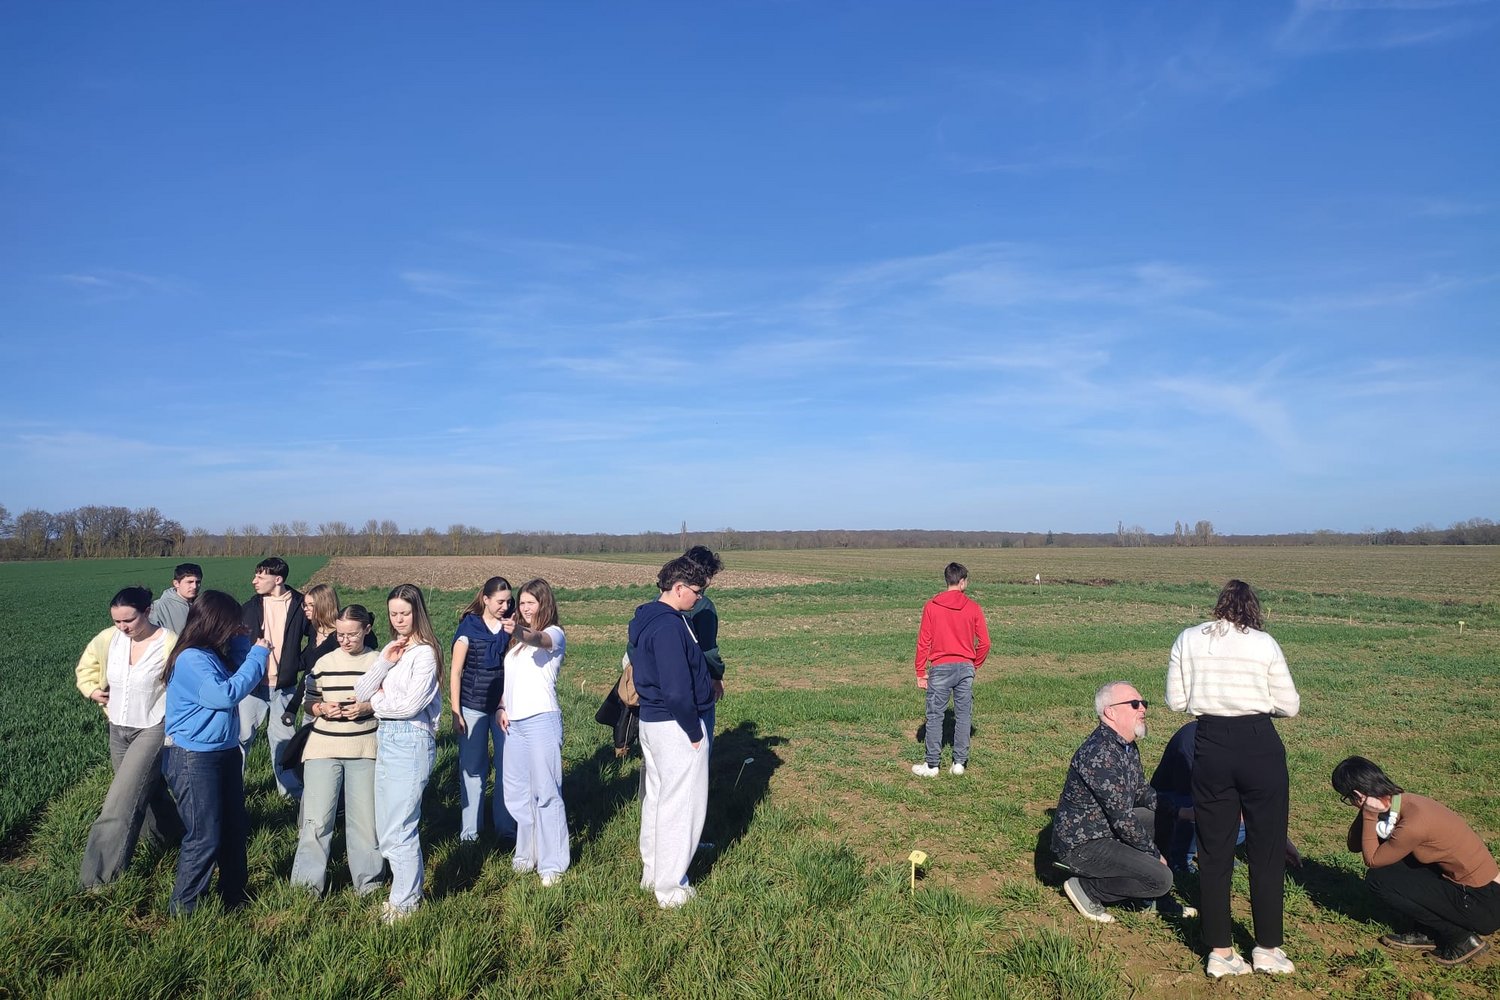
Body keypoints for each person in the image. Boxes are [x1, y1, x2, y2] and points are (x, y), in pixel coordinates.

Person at [1166, 579, 1301, 978]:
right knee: (1267, 850)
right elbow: (1289, 705)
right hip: (1259, 743)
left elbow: (1176, 701)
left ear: (1219, 606)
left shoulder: (1187, 639)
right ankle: (1268, 949)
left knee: (1214, 851)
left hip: (1210, 744)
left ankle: (1220, 952)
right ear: (1252, 609)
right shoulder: (1264, 643)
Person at [1332, 756, 1500, 966]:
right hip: (1479, 892)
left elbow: (1372, 860)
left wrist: (1368, 814)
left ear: (1357, 795)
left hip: (1483, 902)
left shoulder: (1413, 823)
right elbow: (1354, 845)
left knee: (1379, 879)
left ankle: (1461, 939)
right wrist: (1367, 807)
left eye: (1348, 798)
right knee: (1390, 860)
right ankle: (1427, 930)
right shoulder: (1402, 802)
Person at [162, 590, 270, 914]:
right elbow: (225, 695)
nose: (235, 627)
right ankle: (185, 909)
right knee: (205, 835)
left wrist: (241, 643)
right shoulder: (191, 659)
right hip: (194, 757)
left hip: (224, 751)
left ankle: (234, 897)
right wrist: (259, 654)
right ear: (215, 623)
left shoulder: (212, 653)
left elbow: (238, 671)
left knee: (234, 829)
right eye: (232, 623)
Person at [1053, 681, 1192, 923]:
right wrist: (1154, 855)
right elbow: (1122, 819)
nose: (1143, 708)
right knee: (1161, 878)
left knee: (1163, 819)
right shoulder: (1100, 753)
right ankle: (1087, 889)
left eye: (1143, 703)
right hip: (1083, 845)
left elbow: (1141, 792)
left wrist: (1181, 812)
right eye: (1134, 704)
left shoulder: (1126, 746)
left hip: (1105, 829)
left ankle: (1151, 897)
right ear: (1110, 712)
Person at [77, 586, 183, 889]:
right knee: (147, 790)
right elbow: (87, 667)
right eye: (117, 621)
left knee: (120, 802)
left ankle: (98, 880)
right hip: (117, 728)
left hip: (153, 727)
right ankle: (174, 838)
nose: (123, 627)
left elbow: (183, 683)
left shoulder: (169, 643)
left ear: (147, 612)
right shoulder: (108, 639)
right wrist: (91, 689)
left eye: (129, 620)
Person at [630, 556, 715, 908]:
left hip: (653, 723)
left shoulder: (649, 619)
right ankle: (671, 889)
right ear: (678, 588)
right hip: (675, 725)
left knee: (658, 799)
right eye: (696, 591)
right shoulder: (668, 627)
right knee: (681, 806)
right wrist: (694, 731)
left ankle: (653, 874)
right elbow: (677, 689)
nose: (699, 598)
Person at [354, 583, 442, 922]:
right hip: (387, 738)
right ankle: (405, 895)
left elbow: (408, 707)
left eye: (405, 613)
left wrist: (377, 701)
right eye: (393, 614)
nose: (399, 619)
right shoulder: (394, 649)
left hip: (411, 739)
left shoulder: (426, 653)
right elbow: (360, 689)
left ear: (418, 612)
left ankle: (405, 903)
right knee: (388, 827)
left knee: (401, 825)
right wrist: (383, 663)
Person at [289, 605, 383, 898]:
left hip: (365, 748)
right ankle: (306, 889)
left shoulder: (379, 663)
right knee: (316, 821)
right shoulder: (324, 662)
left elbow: (391, 701)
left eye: (352, 634)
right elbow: (309, 700)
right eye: (340, 634)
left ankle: (369, 885)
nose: (345, 640)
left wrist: (367, 708)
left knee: (365, 823)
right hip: (323, 748)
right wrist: (320, 708)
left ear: (367, 630)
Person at [1150, 719, 1301, 873]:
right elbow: (1198, 798)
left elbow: (1256, 797)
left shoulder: (1245, 744)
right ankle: (1180, 859)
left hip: (1211, 800)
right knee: (1204, 814)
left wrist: (1280, 840)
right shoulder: (1191, 739)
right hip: (1177, 800)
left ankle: (1219, 852)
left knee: (1247, 820)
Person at [499, 578, 569, 885]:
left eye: (531, 602)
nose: (525, 608)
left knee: (546, 793)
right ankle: (527, 853)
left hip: (542, 721)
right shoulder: (516, 645)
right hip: (514, 725)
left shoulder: (554, 634)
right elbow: (512, 680)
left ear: (544, 604)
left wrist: (517, 630)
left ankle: (553, 864)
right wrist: (502, 707)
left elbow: (538, 638)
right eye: (522, 602)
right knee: (518, 793)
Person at [450, 577, 517, 843]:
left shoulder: (512, 626)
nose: (505, 607)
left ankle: (506, 829)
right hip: (472, 707)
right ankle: (470, 834)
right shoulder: (468, 628)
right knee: (472, 770)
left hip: (504, 708)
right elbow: (456, 672)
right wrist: (456, 712)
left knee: (506, 768)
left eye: (508, 602)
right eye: (500, 602)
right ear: (485, 599)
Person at [238, 557, 310, 798]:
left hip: (284, 687)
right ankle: (233, 791)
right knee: (240, 739)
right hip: (252, 686)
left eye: (260, 576)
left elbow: (317, 637)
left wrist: (297, 663)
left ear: (278, 579)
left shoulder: (300, 605)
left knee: (284, 742)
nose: (254, 581)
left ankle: (289, 796)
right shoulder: (250, 607)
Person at [912, 561, 990, 777]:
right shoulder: (973, 607)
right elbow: (985, 643)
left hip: (939, 667)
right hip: (965, 667)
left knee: (935, 716)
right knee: (964, 716)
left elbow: (924, 641)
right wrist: (974, 664)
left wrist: (920, 671)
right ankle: (959, 764)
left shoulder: (931, 606)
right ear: (962, 582)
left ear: (947, 580)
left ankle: (932, 765)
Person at [149, 563, 202, 635]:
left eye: (198, 582)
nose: (194, 586)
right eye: (189, 582)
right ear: (176, 583)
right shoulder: (159, 607)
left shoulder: (203, 604)